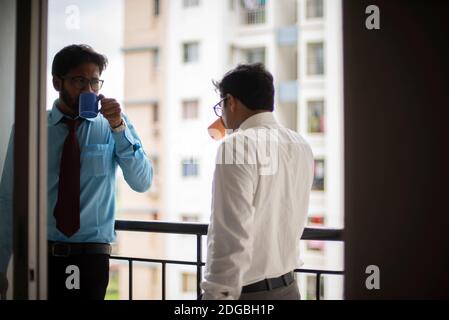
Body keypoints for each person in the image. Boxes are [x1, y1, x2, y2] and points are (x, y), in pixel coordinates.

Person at [0, 44, 153, 299]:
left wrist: (118, 127)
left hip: (90, 258)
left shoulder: (113, 125)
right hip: (38, 255)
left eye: (95, 82)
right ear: (57, 82)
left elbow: (142, 181)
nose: (89, 90)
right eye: (79, 81)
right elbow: (8, 197)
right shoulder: (30, 127)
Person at [201, 63, 314, 300]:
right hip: (290, 288)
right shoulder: (300, 144)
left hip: (248, 293)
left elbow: (231, 230)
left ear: (230, 101)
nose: (221, 114)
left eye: (219, 106)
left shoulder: (236, 145)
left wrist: (215, 296)